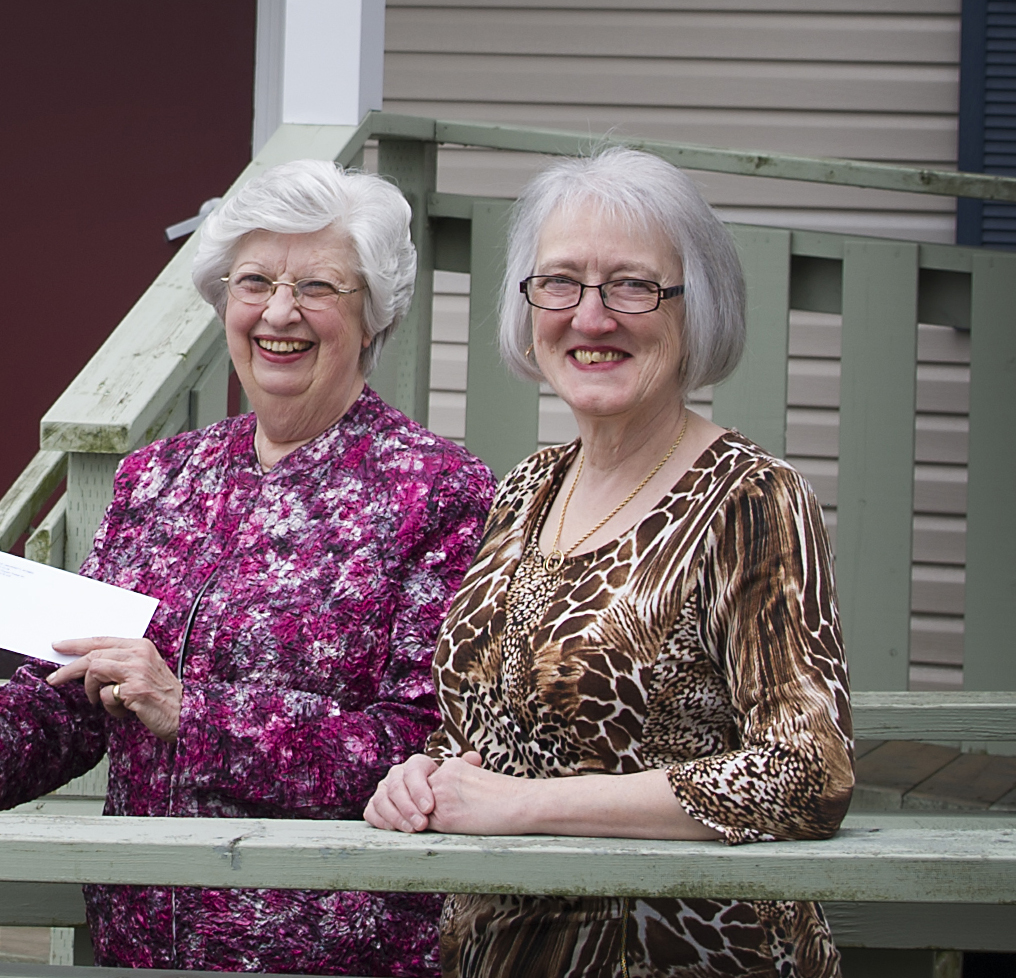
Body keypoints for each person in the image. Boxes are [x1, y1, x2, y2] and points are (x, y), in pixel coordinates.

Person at [0, 159, 494, 976]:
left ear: (372, 314)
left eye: (317, 288)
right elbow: (69, 699)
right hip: (136, 950)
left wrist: (192, 713)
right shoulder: (159, 476)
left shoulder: (439, 490)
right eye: (255, 280)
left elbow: (418, 745)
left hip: (336, 956)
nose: (279, 312)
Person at [363, 147, 855, 978]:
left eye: (632, 285)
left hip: (686, 951)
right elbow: (488, 728)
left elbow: (807, 771)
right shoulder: (526, 489)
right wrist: (421, 776)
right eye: (560, 283)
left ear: (696, 307)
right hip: (503, 951)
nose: (591, 318)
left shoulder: (751, 499)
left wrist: (526, 809)